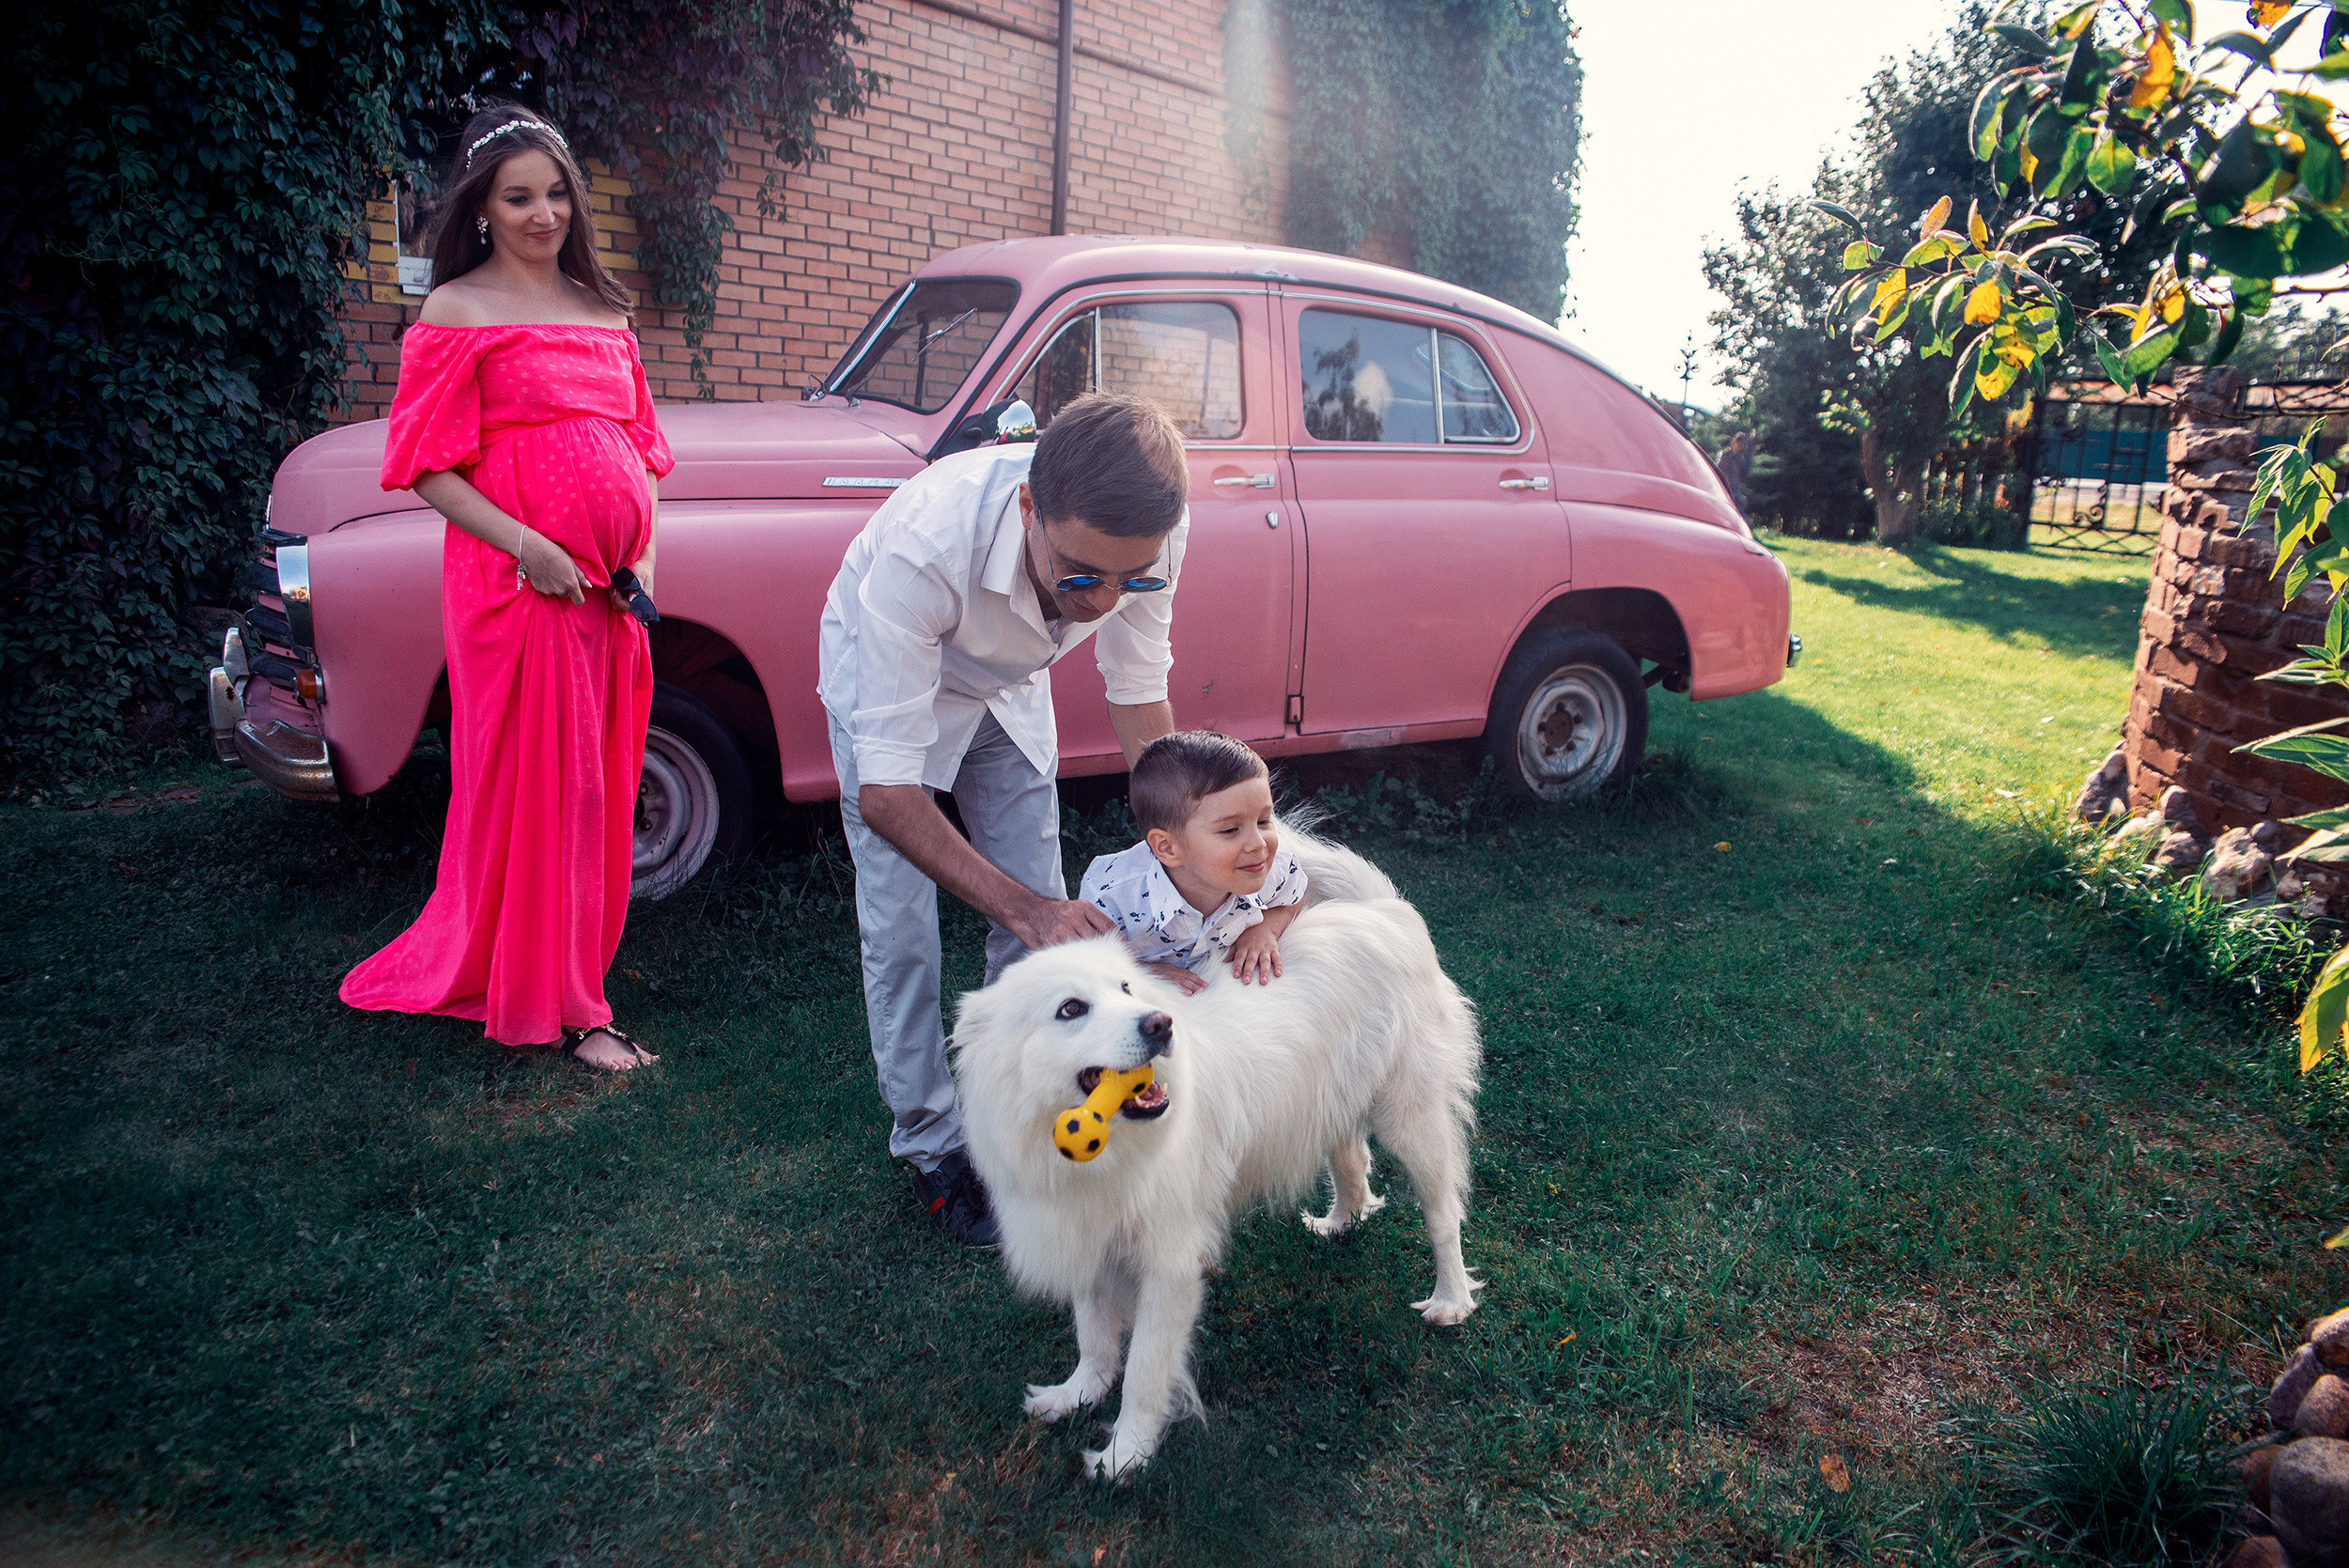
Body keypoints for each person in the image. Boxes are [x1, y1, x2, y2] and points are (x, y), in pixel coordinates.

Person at [339, 104, 668, 1072]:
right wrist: (532, 549)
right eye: (519, 197)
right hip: (517, 588)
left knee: (595, 789)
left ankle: (564, 970)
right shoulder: (458, 310)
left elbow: (644, 451)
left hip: (609, 595)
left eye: (557, 193)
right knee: (541, 792)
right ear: (482, 208)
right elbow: (424, 467)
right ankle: (569, 1009)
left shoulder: (605, 309)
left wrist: (644, 558)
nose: (543, 213)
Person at [818, 393, 1189, 1245]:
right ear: (1029, 507)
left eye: (1132, 578)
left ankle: (1031, 1110)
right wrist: (1028, 910)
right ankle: (933, 1145)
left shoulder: (1153, 528)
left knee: (1041, 915)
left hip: (1010, 689)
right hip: (892, 684)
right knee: (905, 930)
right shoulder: (925, 548)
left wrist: (1187, 851)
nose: (1106, 601)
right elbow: (888, 797)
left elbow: (1139, 692)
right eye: (1082, 575)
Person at [1079, 730, 1305, 997]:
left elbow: (1293, 897)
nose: (1258, 843)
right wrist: (1140, 973)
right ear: (1168, 848)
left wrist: (1265, 930)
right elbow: (1084, 962)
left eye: (1263, 821)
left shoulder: (1268, 871)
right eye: (1231, 829)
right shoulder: (1111, 901)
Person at [1718, 428, 1756, 514]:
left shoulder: (1742, 460)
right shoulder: (1724, 455)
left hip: (1734, 493)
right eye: (1736, 442)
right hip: (1721, 489)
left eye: (1740, 444)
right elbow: (1717, 471)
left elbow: (1744, 474)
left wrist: (1749, 450)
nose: (1737, 445)